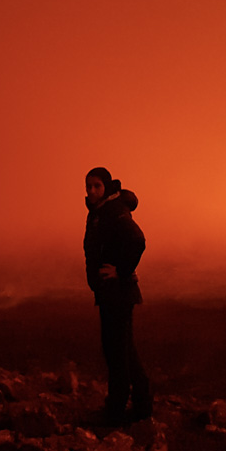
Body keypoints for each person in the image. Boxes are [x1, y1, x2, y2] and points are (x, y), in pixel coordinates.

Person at [83, 166, 151, 424]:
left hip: (118, 293)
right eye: (88, 186)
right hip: (111, 293)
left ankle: (116, 411)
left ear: (107, 187)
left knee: (116, 353)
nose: (92, 191)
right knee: (123, 351)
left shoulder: (113, 211)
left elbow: (137, 240)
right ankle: (142, 406)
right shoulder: (100, 211)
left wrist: (121, 271)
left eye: (97, 186)